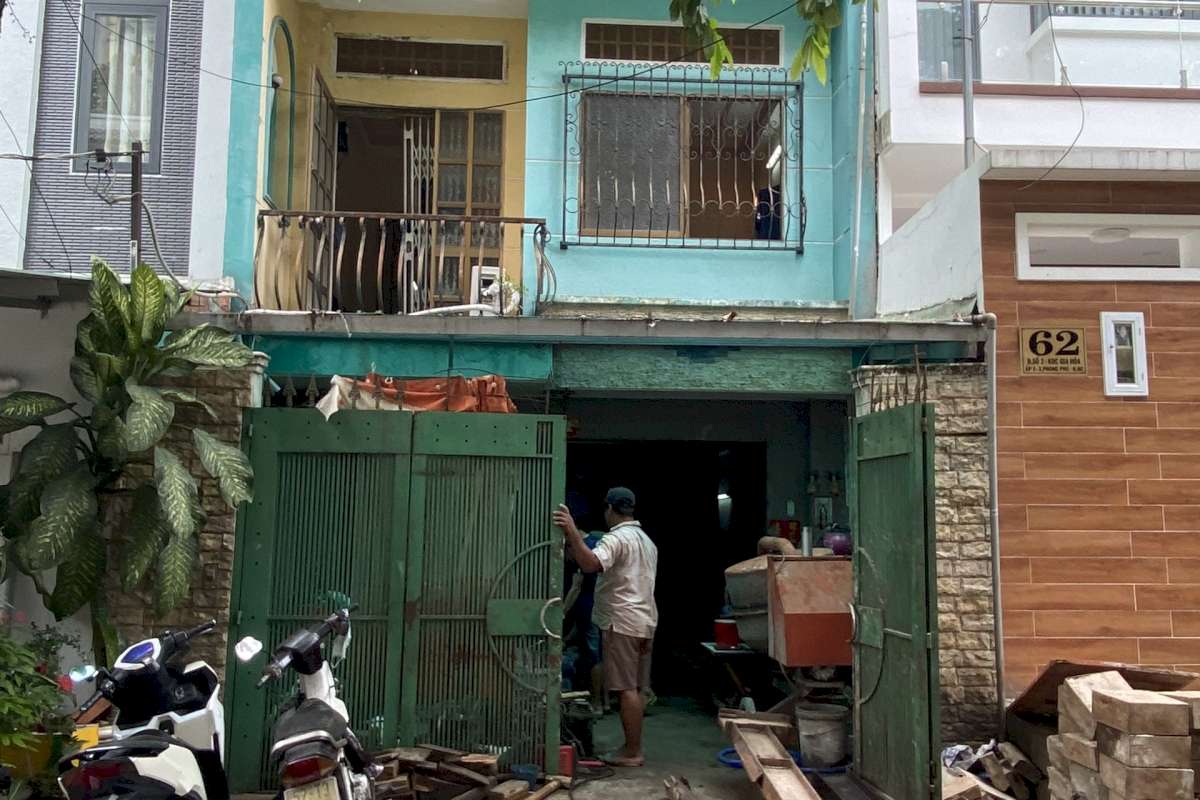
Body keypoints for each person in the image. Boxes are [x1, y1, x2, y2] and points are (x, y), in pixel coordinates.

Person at [554, 487, 658, 767]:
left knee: (626, 688)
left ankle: (632, 752)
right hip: (644, 619)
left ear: (610, 509)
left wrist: (572, 531)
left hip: (622, 621)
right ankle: (631, 746)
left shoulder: (617, 538)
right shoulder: (646, 541)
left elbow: (590, 563)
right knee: (637, 687)